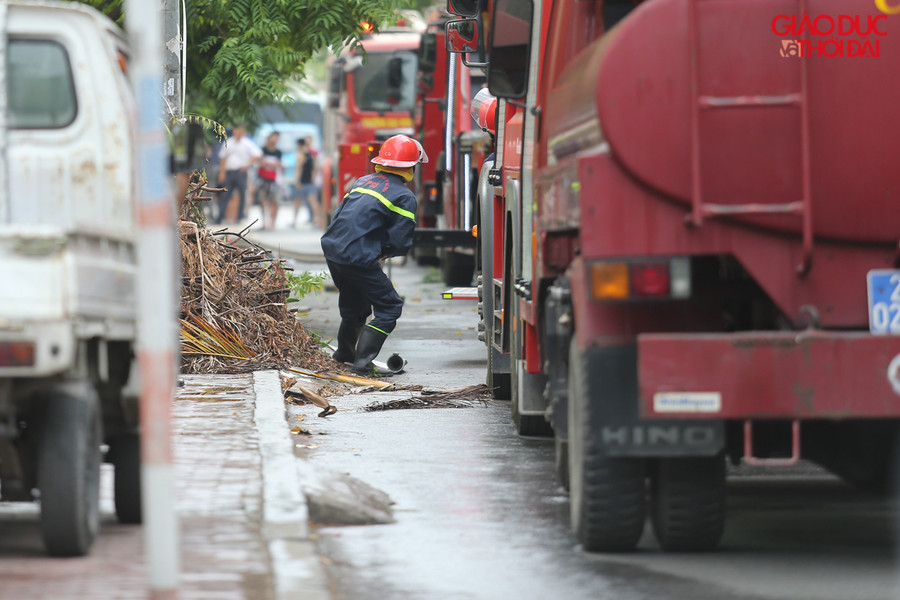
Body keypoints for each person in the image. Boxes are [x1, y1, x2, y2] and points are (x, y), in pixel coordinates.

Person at [320, 134, 428, 375]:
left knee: (355, 304)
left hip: (333, 249)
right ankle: (361, 365)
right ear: (410, 167)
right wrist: (383, 252)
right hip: (357, 257)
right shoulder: (404, 196)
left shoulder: (362, 182)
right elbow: (400, 241)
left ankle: (344, 354)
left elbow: (340, 216)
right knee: (390, 307)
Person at [216, 124, 262, 224]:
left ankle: (240, 216)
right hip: (229, 172)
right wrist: (222, 173)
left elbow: (258, 154)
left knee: (242, 194)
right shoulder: (229, 142)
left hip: (241, 172)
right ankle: (220, 216)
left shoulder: (247, 143)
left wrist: (247, 165)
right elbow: (223, 158)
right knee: (225, 194)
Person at [255, 131, 282, 229]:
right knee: (262, 200)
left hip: (274, 180)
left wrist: (268, 163)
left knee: (274, 201)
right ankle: (264, 222)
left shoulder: (278, 152)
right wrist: (272, 164)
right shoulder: (262, 150)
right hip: (263, 179)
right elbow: (260, 163)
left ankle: (272, 222)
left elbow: (279, 165)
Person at [293, 138, 319, 227]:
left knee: (297, 201)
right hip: (310, 181)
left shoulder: (300, 155)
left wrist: (297, 181)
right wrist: (313, 177)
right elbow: (315, 168)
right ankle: (317, 220)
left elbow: (299, 168)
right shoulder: (311, 155)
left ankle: (294, 221)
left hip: (302, 182)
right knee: (313, 201)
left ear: (299, 145)